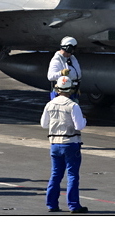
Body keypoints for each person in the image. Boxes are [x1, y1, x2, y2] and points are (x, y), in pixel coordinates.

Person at [40, 76, 88, 214]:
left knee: (55, 174)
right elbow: (79, 126)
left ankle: (51, 204)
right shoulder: (73, 106)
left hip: (55, 143)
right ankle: (73, 205)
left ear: (57, 89)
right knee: (72, 175)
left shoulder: (50, 104)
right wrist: (85, 120)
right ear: (71, 89)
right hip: (71, 143)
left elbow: (44, 124)